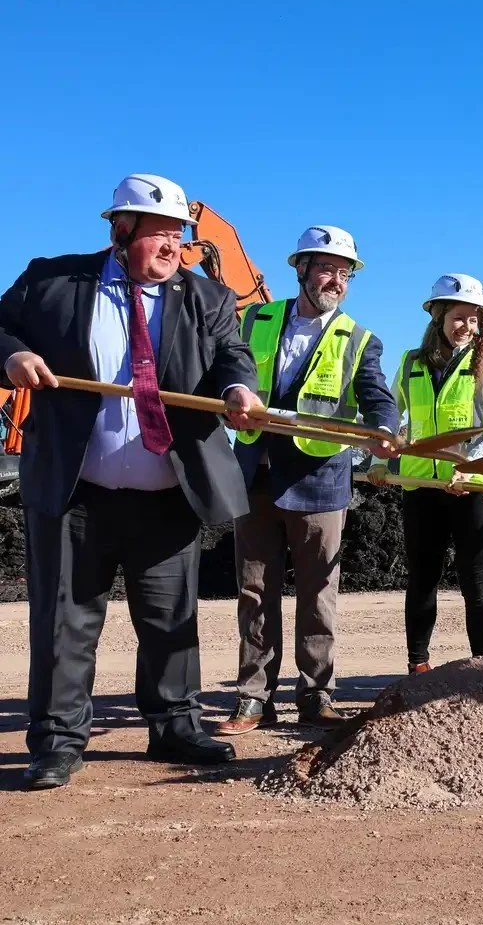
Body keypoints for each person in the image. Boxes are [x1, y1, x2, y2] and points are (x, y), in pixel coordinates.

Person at [0, 173, 263, 789]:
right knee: (64, 622)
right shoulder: (52, 281)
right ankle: (58, 743)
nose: (174, 247)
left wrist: (237, 388)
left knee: (171, 619)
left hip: (166, 494)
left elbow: (232, 355)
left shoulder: (208, 297)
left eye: (180, 235)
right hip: (74, 493)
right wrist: (12, 355)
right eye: (161, 233)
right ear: (122, 231)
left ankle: (175, 725)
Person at [215, 227, 398, 736]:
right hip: (256, 473)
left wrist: (384, 429)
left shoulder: (359, 339)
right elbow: (225, 369)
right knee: (255, 590)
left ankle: (317, 694)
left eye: (344, 273)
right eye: (326, 269)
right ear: (300, 269)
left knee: (318, 592)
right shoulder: (255, 319)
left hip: (320, 478)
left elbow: (377, 397)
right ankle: (254, 697)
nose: (335, 280)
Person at [379, 274, 483, 672]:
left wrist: (470, 464)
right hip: (422, 484)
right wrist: (377, 462)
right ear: (438, 316)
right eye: (459, 317)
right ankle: (418, 666)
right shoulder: (411, 362)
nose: (467, 327)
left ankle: (482, 671)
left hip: (475, 486)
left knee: (477, 582)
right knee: (422, 578)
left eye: (474, 319)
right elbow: (390, 417)